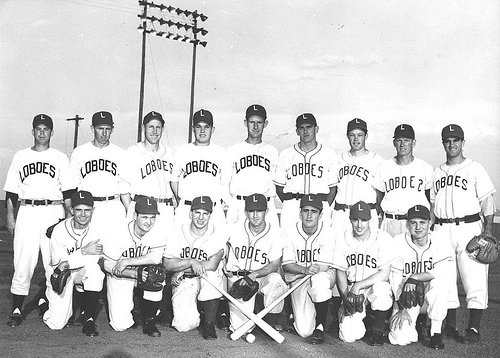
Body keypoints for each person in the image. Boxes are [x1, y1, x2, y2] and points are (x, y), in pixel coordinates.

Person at [3, 114, 75, 327]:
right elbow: (12, 192)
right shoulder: (20, 156)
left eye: (46, 129)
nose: (42, 132)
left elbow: (69, 191)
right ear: (32, 131)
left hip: (53, 211)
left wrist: (69, 218)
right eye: (38, 128)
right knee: (23, 260)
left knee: (52, 261)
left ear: (52, 132)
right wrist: (10, 216)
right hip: (27, 210)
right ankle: (17, 308)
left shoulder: (60, 158)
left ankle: (51, 304)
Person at [431, 124, 496, 344]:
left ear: (463, 142)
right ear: (443, 144)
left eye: (455, 140)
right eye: (447, 141)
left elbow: (487, 201)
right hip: (441, 228)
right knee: (444, 278)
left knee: (474, 277)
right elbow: (432, 206)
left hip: (469, 228)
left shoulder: (474, 168)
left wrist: (488, 230)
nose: (452, 144)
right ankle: (450, 326)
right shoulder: (437, 172)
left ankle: (474, 328)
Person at [388, 205, 454, 349]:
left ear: (429, 224)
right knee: (399, 338)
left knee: (440, 285)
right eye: (413, 222)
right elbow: (395, 279)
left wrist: (415, 277)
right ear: (407, 224)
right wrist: (401, 308)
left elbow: (443, 271)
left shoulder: (440, 241)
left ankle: (435, 332)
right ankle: (417, 323)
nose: (418, 227)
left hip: (430, 297)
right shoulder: (397, 242)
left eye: (422, 222)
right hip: (407, 297)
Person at [224, 193, 287, 340]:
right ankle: (254, 314)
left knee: (276, 281)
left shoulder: (275, 233)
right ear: (246, 212)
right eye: (251, 211)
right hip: (238, 280)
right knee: (241, 329)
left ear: (267, 212)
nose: (255, 215)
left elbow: (274, 264)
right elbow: (220, 248)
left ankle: (269, 323)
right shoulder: (233, 229)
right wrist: (223, 262)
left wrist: (254, 274)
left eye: (260, 211)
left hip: (260, 278)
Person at [163, 196, 227, 339]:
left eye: (205, 213)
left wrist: (181, 268)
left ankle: (209, 322)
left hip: (205, 277)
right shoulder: (177, 232)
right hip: (186, 280)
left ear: (210, 215)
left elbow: (212, 264)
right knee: (183, 326)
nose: (201, 217)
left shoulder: (217, 233)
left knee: (211, 275)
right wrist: (191, 262)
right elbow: (167, 263)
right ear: (190, 213)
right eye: (197, 212)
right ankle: (200, 310)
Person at [43, 191, 105, 337]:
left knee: (94, 272)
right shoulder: (59, 230)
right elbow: (60, 265)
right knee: (56, 324)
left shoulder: (99, 229)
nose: (83, 215)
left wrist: (77, 258)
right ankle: (43, 304)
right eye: (78, 210)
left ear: (93, 210)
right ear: (71, 210)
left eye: (87, 210)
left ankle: (89, 320)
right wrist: (84, 251)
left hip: (82, 272)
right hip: (60, 274)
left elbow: (96, 260)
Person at [334, 201, 394, 346]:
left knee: (382, 290)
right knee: (347, 336)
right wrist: (345, 298)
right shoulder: (342, 238)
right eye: (356, 220)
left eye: (364, 220)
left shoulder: (383, 238)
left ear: (370, 220)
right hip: (352, 291)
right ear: (350, 220)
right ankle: (365, 320)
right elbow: (340, 271)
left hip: (372, 285)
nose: (359, 225)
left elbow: (384, 273)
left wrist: (358, 286)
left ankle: (378, 330)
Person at [103, 197, 165, 337]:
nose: (148, 222)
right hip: (120, 274)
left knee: (155, 274)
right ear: (135, 215)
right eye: (144, 217)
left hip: (142, 271)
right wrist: (132, 273)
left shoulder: (158, 231)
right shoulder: (118, 233)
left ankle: (150, 321)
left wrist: (128, 261)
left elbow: (155, 257)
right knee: (120, 325)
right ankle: (134, 309)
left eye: (152, 217)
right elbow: (107, 264)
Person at [282, 194, 336, 344]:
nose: (309, 215)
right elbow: (287, 264)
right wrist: (303, 271)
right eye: (306, 210)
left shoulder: (328, 232)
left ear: (321, 214)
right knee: (304, 331)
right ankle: (296, 316)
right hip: (301, 276)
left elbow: (322, 267)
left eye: (314, 211)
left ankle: (320, 326)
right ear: (300, 213)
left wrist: (298, 274)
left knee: (319, 281)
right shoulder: (290, 231)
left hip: (323, 276)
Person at [274, 113, 337, 229]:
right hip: (293, 205)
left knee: (320, 243)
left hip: (319, 206)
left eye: (309, 127)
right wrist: (290, 202)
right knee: (289, 243)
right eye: (302, 128)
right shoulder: (286, 155)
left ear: (316, 129)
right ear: (297, 131)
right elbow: (279, 187)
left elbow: (333, 190)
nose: (305, 131)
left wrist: (322, 206)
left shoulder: (329, 155)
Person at [70, 111, 128, 232]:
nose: (104, 133)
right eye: (100, 128)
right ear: (92, 128)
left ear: (112, 129)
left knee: (115, 248)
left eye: (108, 129)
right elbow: (72, 186)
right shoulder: (80, 152)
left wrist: (129, 213)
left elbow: (124, 188)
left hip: (113, 206)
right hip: (88, 208)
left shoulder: (120, 153)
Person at [223, 105, 279, 227]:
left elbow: (275, 181)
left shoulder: (272, 151)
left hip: (265, 207)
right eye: (251, 122)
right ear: (245, 123)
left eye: (259, 122)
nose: (255, 126)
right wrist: (234, 204)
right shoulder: (233, 150)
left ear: (265, 124)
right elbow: (224, 183)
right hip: (240, 205)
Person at [171, 109, 226, 228]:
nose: (202, 131)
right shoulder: (182, 151)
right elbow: (174, 180)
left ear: (213, 129)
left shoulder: (221, 152)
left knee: (216, 245)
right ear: (193, 129)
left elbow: (225, 181)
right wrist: (181, 198)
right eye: (198, 126)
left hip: (213, 210)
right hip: (187, 208)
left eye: (206, 127)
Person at [375, 124, 433, 236]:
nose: (402, 144)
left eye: (406, 140)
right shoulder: (383, 167)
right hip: (389, 222)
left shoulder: (425, 168)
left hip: (414, 224)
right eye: (399, 140)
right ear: (394, 143)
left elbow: (430, 200)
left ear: (414, 142)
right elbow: (379, 200)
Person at [123, 110, 175, 233]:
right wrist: (133, 210)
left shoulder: (169, 153)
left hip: (166, 209)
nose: (154, 131)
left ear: (162, 129)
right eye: (151, 127)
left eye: (158, 127)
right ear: (143, 128)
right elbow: (123, 188)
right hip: (143, 209)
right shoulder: (133, 152)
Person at [331, 118, 383, 236]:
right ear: (347, 136)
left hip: (365, 215)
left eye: (360, 135)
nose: (356, 139)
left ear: (366, 136)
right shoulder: (339, 159)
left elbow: (381, 194)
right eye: (352, 135)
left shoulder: (377, 161)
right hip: (341, 214)